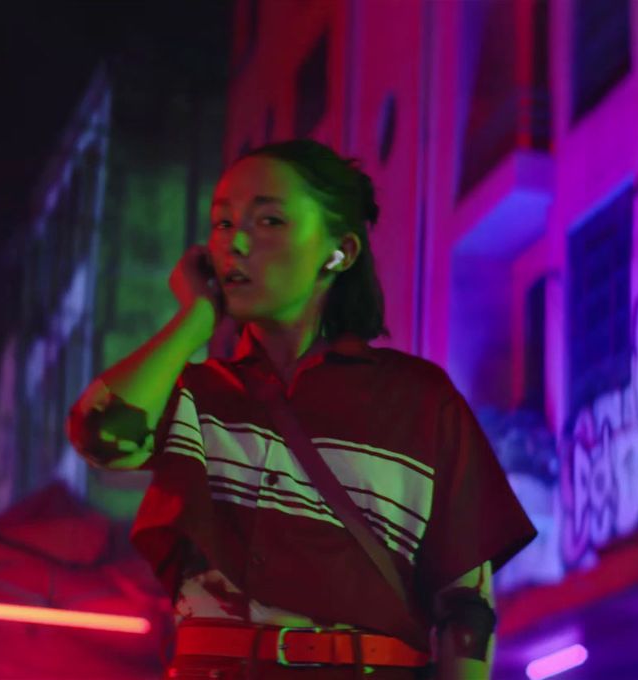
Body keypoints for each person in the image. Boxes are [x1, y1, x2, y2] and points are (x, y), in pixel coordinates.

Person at [66, 139, 536, 680]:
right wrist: (195, 319)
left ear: (339, 251)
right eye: (222, 224)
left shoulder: (420, 400)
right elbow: (98, 434)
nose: (236, 242)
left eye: (268, 221)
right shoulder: (194, 395)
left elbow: (466, 608)